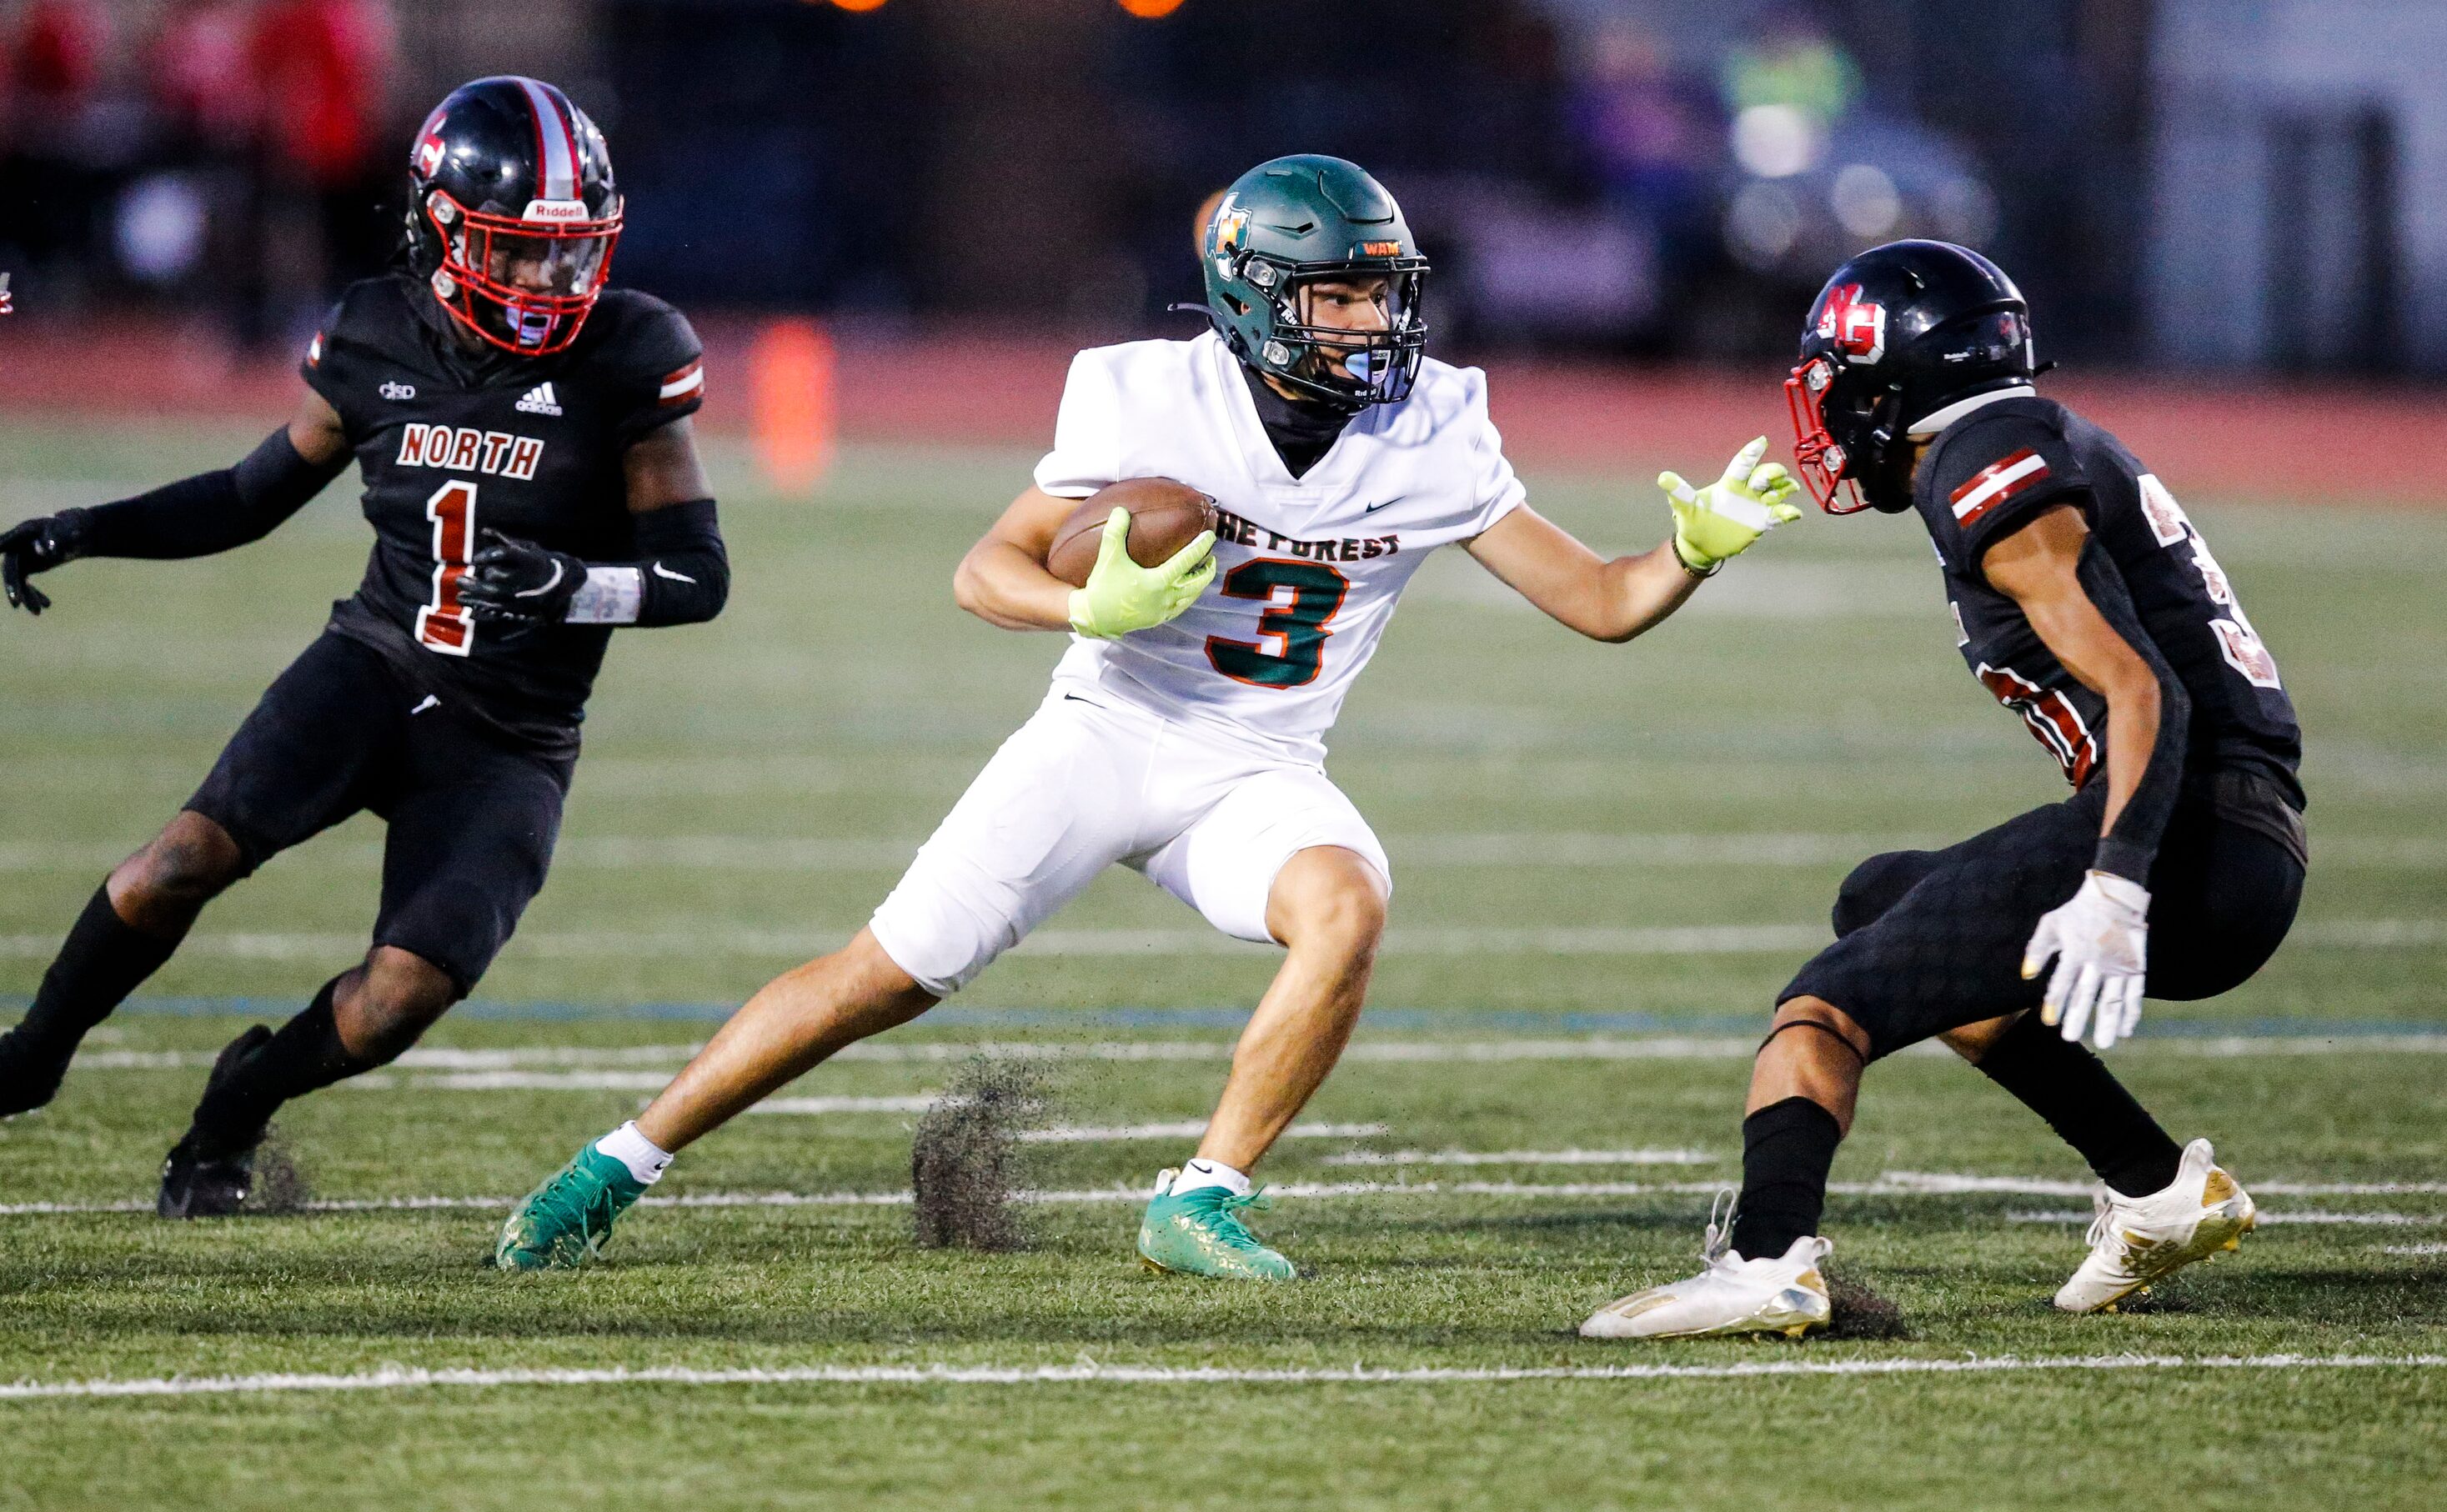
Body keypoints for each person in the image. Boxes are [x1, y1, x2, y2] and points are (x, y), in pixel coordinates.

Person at [493, 153, 1802, 1278]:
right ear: (1257, 300)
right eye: (1338, 295)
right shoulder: (1148, 395)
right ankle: (617, 1164)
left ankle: (1202, 1195)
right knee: (881, 975)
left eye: (1381, 291)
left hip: (1261, 763)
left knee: (1348, 901)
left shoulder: (1434, 424)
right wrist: (1093, 609)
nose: (1371, 322)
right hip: (1105, 730)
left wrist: (1688, 553)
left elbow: (1602, 600)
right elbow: (982, 571)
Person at [0, 77, 727, 1218]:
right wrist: (90, 529)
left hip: (511, 732)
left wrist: (571, 585)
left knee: (398, 1000)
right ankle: (32, 1053)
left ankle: (241, 1098)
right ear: (441, 226)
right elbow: (250, 496)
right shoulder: (373, 331)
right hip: (375, 664)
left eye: (572, 252)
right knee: (176, 860)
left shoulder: (629, 356)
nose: (551, 280)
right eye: (520, 250)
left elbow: (699, 578)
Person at [1579, 240, 2306, 1339]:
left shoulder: (1984, 462)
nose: (1827, 418)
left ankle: (1767, 1259)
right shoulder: (2019, 441)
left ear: (1895, 385)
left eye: (1840, 387)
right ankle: (2157, 1187)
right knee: (1882, 897)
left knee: (1823, 1004)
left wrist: (2115, 878)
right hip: (2227, 832)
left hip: (2188, 834)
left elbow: (2141, 689)